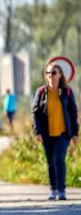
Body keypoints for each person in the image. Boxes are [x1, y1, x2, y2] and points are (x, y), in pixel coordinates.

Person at [32, 62, 78, 200]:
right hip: (47, 133)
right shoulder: (41, 92)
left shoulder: (67, 92)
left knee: (59, 158)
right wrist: (37, 131)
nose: (50, 75)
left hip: (63, 133)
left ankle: (62, 190)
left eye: (53, 73)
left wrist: (76, 133)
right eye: (48, 73)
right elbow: (35, 113)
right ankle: (53, 189)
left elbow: (73, 112)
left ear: (60, 75)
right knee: (50, 161)